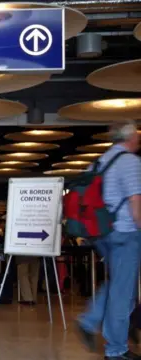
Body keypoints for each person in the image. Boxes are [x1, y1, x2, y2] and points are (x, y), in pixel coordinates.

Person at [77, 121, 141, 360]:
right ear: (130, 137)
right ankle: (116, 350)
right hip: (126, 232)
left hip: (103, 233)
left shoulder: (98, 162)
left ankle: (90, 319)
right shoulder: (130, 162)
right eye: (137, 135)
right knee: (122, 293)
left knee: (118, 284)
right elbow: (136, 204)